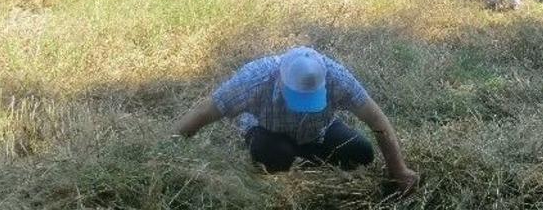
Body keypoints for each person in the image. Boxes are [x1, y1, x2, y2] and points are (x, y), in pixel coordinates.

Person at [173, 46, 419, 193]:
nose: (303, 108)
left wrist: (398, 170)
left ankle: (303, 154)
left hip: (318, 131)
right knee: (277, 156)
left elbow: (376, 120)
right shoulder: (255, 79)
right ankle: (289, 156)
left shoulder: (336, 77)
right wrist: (169, 145)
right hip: (268, 131)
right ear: (280, 80)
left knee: (361, 153)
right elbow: (207, 110)